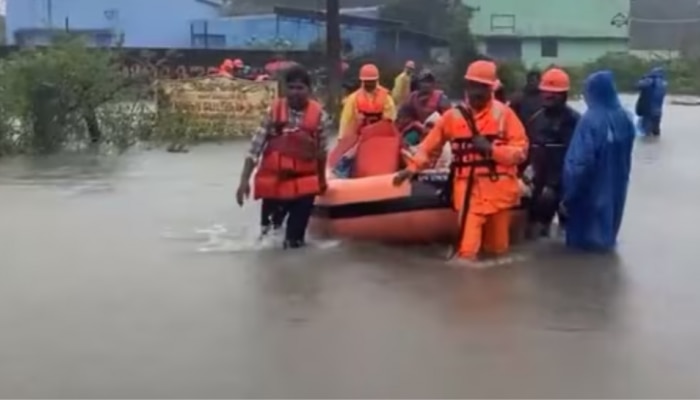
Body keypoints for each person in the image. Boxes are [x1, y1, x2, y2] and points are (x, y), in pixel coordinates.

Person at [394, 60, 528, 265]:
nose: (477, 92)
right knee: (467, 253)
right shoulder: (452, 117)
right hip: (469, 191)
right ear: (466, 87)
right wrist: (411, 169)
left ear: (491, 88)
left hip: (500, 192)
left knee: (499, 254)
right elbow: (429, 147)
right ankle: (467, 292)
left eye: (482, 87)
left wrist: (492, 150)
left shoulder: (505, 115)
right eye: (473, 86)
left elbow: (521, 152)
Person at [236, 66, 330, 249]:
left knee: (294, 243)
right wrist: (244, 181)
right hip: (275, 183)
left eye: (300, 88)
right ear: (285, 89)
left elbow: (322, 152)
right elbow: (255, 148)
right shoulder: (273, 112)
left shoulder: (320, 117)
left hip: (304, 185)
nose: (295, 92)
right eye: (291, 87)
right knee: (267, 240)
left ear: (309, 91)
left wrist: (322, 181)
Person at [562, 70, 635, 252]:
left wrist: (568, 197)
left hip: (588, 197)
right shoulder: (625, 117)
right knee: (606, 241)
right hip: (616, 192)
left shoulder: (590, 120)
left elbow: (579, 164)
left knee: (582, 251)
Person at [522, 68, 580, 238]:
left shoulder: (575, 121)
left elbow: (578, 159)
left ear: (564, 95)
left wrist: (557, 186)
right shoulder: (535, 119)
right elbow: (525, 149)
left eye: (553, 93)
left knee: (567, 233)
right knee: (534, 232)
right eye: (545, 92)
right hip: (538, 182)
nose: (548, 96)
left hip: (564, 184)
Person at [339, 63, 397, 139]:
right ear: (362, 81)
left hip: (380, 138)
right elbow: (346, 120)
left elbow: (391, 120)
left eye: (372, 81)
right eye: (367, 81)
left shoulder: (386, 98)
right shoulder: (353, 98)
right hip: (360, 138)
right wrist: (341, 138)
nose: (369, 84)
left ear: (376, 80)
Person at [635, 67, 666, 136]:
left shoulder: (649, 81)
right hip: (658, 110)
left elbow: (638, 86)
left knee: (645, 132)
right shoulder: (663, 83)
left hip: (648, 109)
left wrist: (643, 78)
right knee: (656, 131)